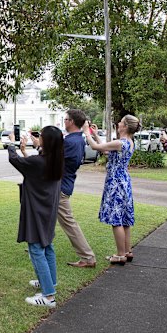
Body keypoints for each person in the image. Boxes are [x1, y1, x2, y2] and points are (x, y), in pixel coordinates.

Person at [8, 126, 63, 307]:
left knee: (36, 247)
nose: (38, 138)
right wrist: (26, 151)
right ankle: (49, 282)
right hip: (48, 208)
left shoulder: (39, 161)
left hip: (37, 210)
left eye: (41, 136)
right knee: (47, 245)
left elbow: (15, 160)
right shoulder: (56, 160)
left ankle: (48, 296)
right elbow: (33, 167)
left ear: (46, 141)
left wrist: (12, 144)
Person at [37, 110, 96, 268]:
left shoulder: (70, 142)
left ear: (71, 121)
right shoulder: (75, 140)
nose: (64, 122)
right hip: (61, 184)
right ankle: (38, 246)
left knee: (68, 223)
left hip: (60, 186)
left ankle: (88, 257)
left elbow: (52, 161)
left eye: (65, 119)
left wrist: (41, 149)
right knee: (44, 216)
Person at [83, 115, 138, 265]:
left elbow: (96, 147)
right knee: (124, 218)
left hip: (115, 182)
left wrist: (86, 133)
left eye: (120, 122)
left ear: (125, 126)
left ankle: (120, 255)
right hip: (124, 181)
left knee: (116, 219)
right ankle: (127, 251)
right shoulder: (129, 142)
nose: (118, 123)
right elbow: (107, 149)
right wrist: (94, 134)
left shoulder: (120, 142)